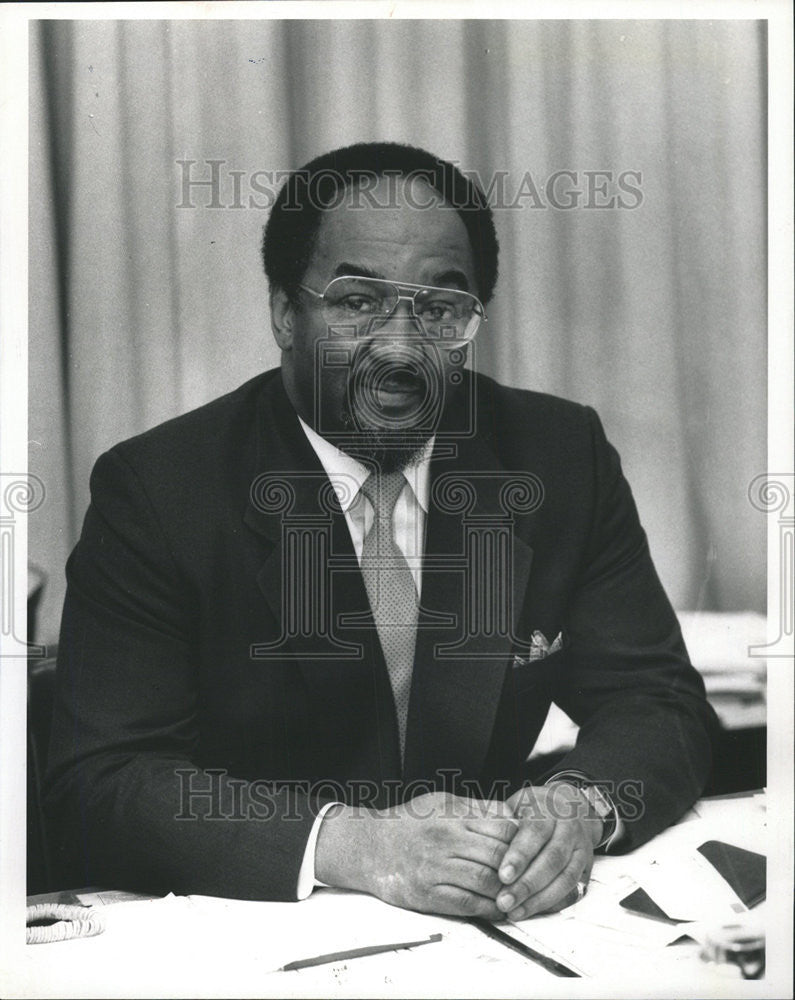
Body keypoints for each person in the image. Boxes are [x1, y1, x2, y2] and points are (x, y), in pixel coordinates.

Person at [45, 142, 717, 923]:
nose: (401, 347)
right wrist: (351, 844)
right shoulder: (160, 489)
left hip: (493, 923)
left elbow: (655, 700)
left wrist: (576, 807)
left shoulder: (556, 455)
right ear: (284, 313)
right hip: (259, 932)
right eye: (358, 301)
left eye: (439, 307)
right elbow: (101, 780)